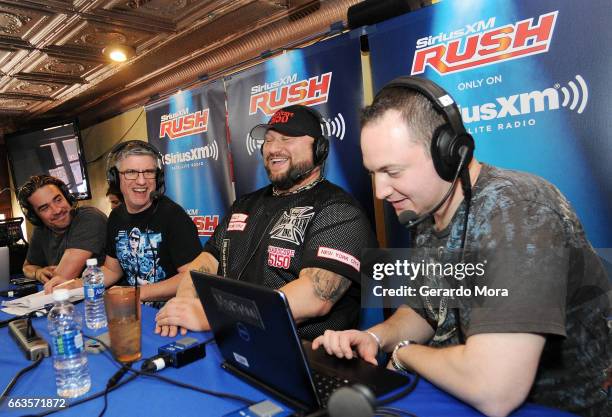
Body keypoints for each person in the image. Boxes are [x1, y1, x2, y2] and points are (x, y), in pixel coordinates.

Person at [311, 77, 610, 417]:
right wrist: (377, 338)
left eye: (392, 171)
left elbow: (494, 390)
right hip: (454, 398)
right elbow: (426, 308)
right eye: (373, 173)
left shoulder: (518, 212)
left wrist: (405, 353)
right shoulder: (423, 210)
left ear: (448, 154)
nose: (380, 191)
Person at [155, 104, 377, 340]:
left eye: (287, 139)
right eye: (269, 140)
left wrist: (214, 314)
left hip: (308, 355)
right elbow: (206, 262)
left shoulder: (338, 210)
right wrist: (184, 303)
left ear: (319, 150)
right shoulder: (244, 204)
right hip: (235, 339)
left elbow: (315, 297)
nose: (273, 148)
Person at [45, 140, 202, 304]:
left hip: (171, 313)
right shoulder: (116, 217)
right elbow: (112, 270)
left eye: (149, 172)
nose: (141, 181)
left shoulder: (174, 216)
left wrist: (135, 293)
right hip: (131, 308)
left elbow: (191, 277)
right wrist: (75, 285)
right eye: (131, 172)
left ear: (158, 178)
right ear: (115, 179)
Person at [17, 175, 107, 291]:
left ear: (67, 198)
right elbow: (27, 267)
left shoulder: (90, 218)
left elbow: (60, 279)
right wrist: (38, 272)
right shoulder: (41, 230)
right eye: (45, 208)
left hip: (98, 298)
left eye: (58, 200)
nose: (57, 210)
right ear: (36, 217)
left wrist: (44, 274)